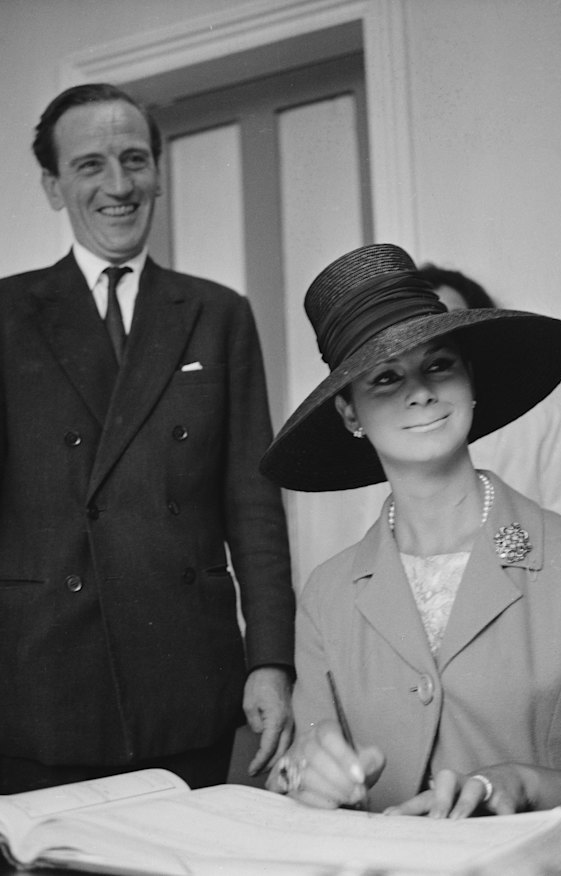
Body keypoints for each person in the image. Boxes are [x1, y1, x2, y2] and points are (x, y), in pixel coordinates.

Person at [0, 83, 295, 794]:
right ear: (52, 186)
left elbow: (252, 504)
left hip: (185, 679)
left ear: (159, 172)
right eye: (90, 165)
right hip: (39, 679)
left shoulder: (218, 314)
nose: (119, 185)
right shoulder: (6, 314)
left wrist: (271, 660)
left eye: (135, 159)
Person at [260, 242, 561, 820]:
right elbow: (308, 777)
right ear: (350, 413)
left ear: (470, 379)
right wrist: (304, 775)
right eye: (385, 377)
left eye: (439, 363)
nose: (420, 391)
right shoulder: (326, 595)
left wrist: (526, 782)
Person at [418, 263, 561, 522]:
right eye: (430, 324)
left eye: (455, 321)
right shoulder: (407, 423)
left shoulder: (535, 416)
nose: (444, 337)